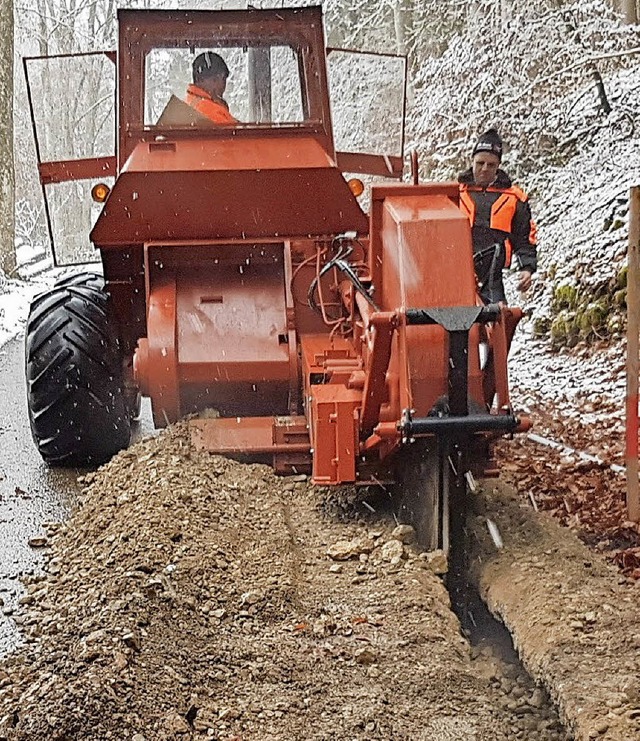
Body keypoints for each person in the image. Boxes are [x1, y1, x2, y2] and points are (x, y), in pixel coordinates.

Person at [458, 129, 537, 304]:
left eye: (491, 165)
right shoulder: (455, 194)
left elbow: (524, 238)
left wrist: (527, 268)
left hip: (492, 278)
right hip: (456, 273)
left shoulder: (515, 198)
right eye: (480, 163)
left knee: (498, 320)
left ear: (498, 165)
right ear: (471, 162)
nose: (484, 169)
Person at [185, 51, 237, 125]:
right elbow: (234, 134)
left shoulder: (191, 103)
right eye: (215, 79)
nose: (221, 85)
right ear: (200, 80)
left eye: (223, 79)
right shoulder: (208, 110)